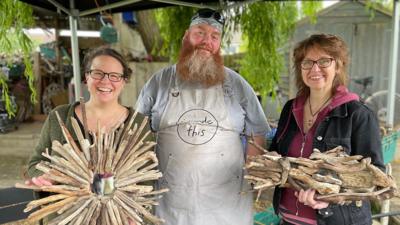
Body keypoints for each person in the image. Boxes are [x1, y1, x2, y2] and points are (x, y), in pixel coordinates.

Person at [135, 8, 270, 225]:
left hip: (227, 199)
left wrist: (252, 174)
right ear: (186, 37)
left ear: (219, 44)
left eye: (214, 37)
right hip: (170, 197)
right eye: (200, 33)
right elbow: (137, 132)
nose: (207, 41)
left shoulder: (237, 84)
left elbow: (257, 131)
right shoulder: (159, 82)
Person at [269, 33, 384, 225]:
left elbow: (374, 176)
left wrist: (330, 198)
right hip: (287, 220)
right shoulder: (290, 109)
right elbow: (278, 153)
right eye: (307, 62)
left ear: (337, 66)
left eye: (324, 61)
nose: (315, 68)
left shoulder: (358, 114)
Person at [25, 47, 150, 193]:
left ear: (124, 81)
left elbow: (148, 177)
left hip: (120, 215)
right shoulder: (59, 117)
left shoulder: (139, 124)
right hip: (65, 214)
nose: (105, 81)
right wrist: (44, 177)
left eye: (114, 76)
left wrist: (135, 212)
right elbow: (35, 163)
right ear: (86, 77)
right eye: (98, 73)